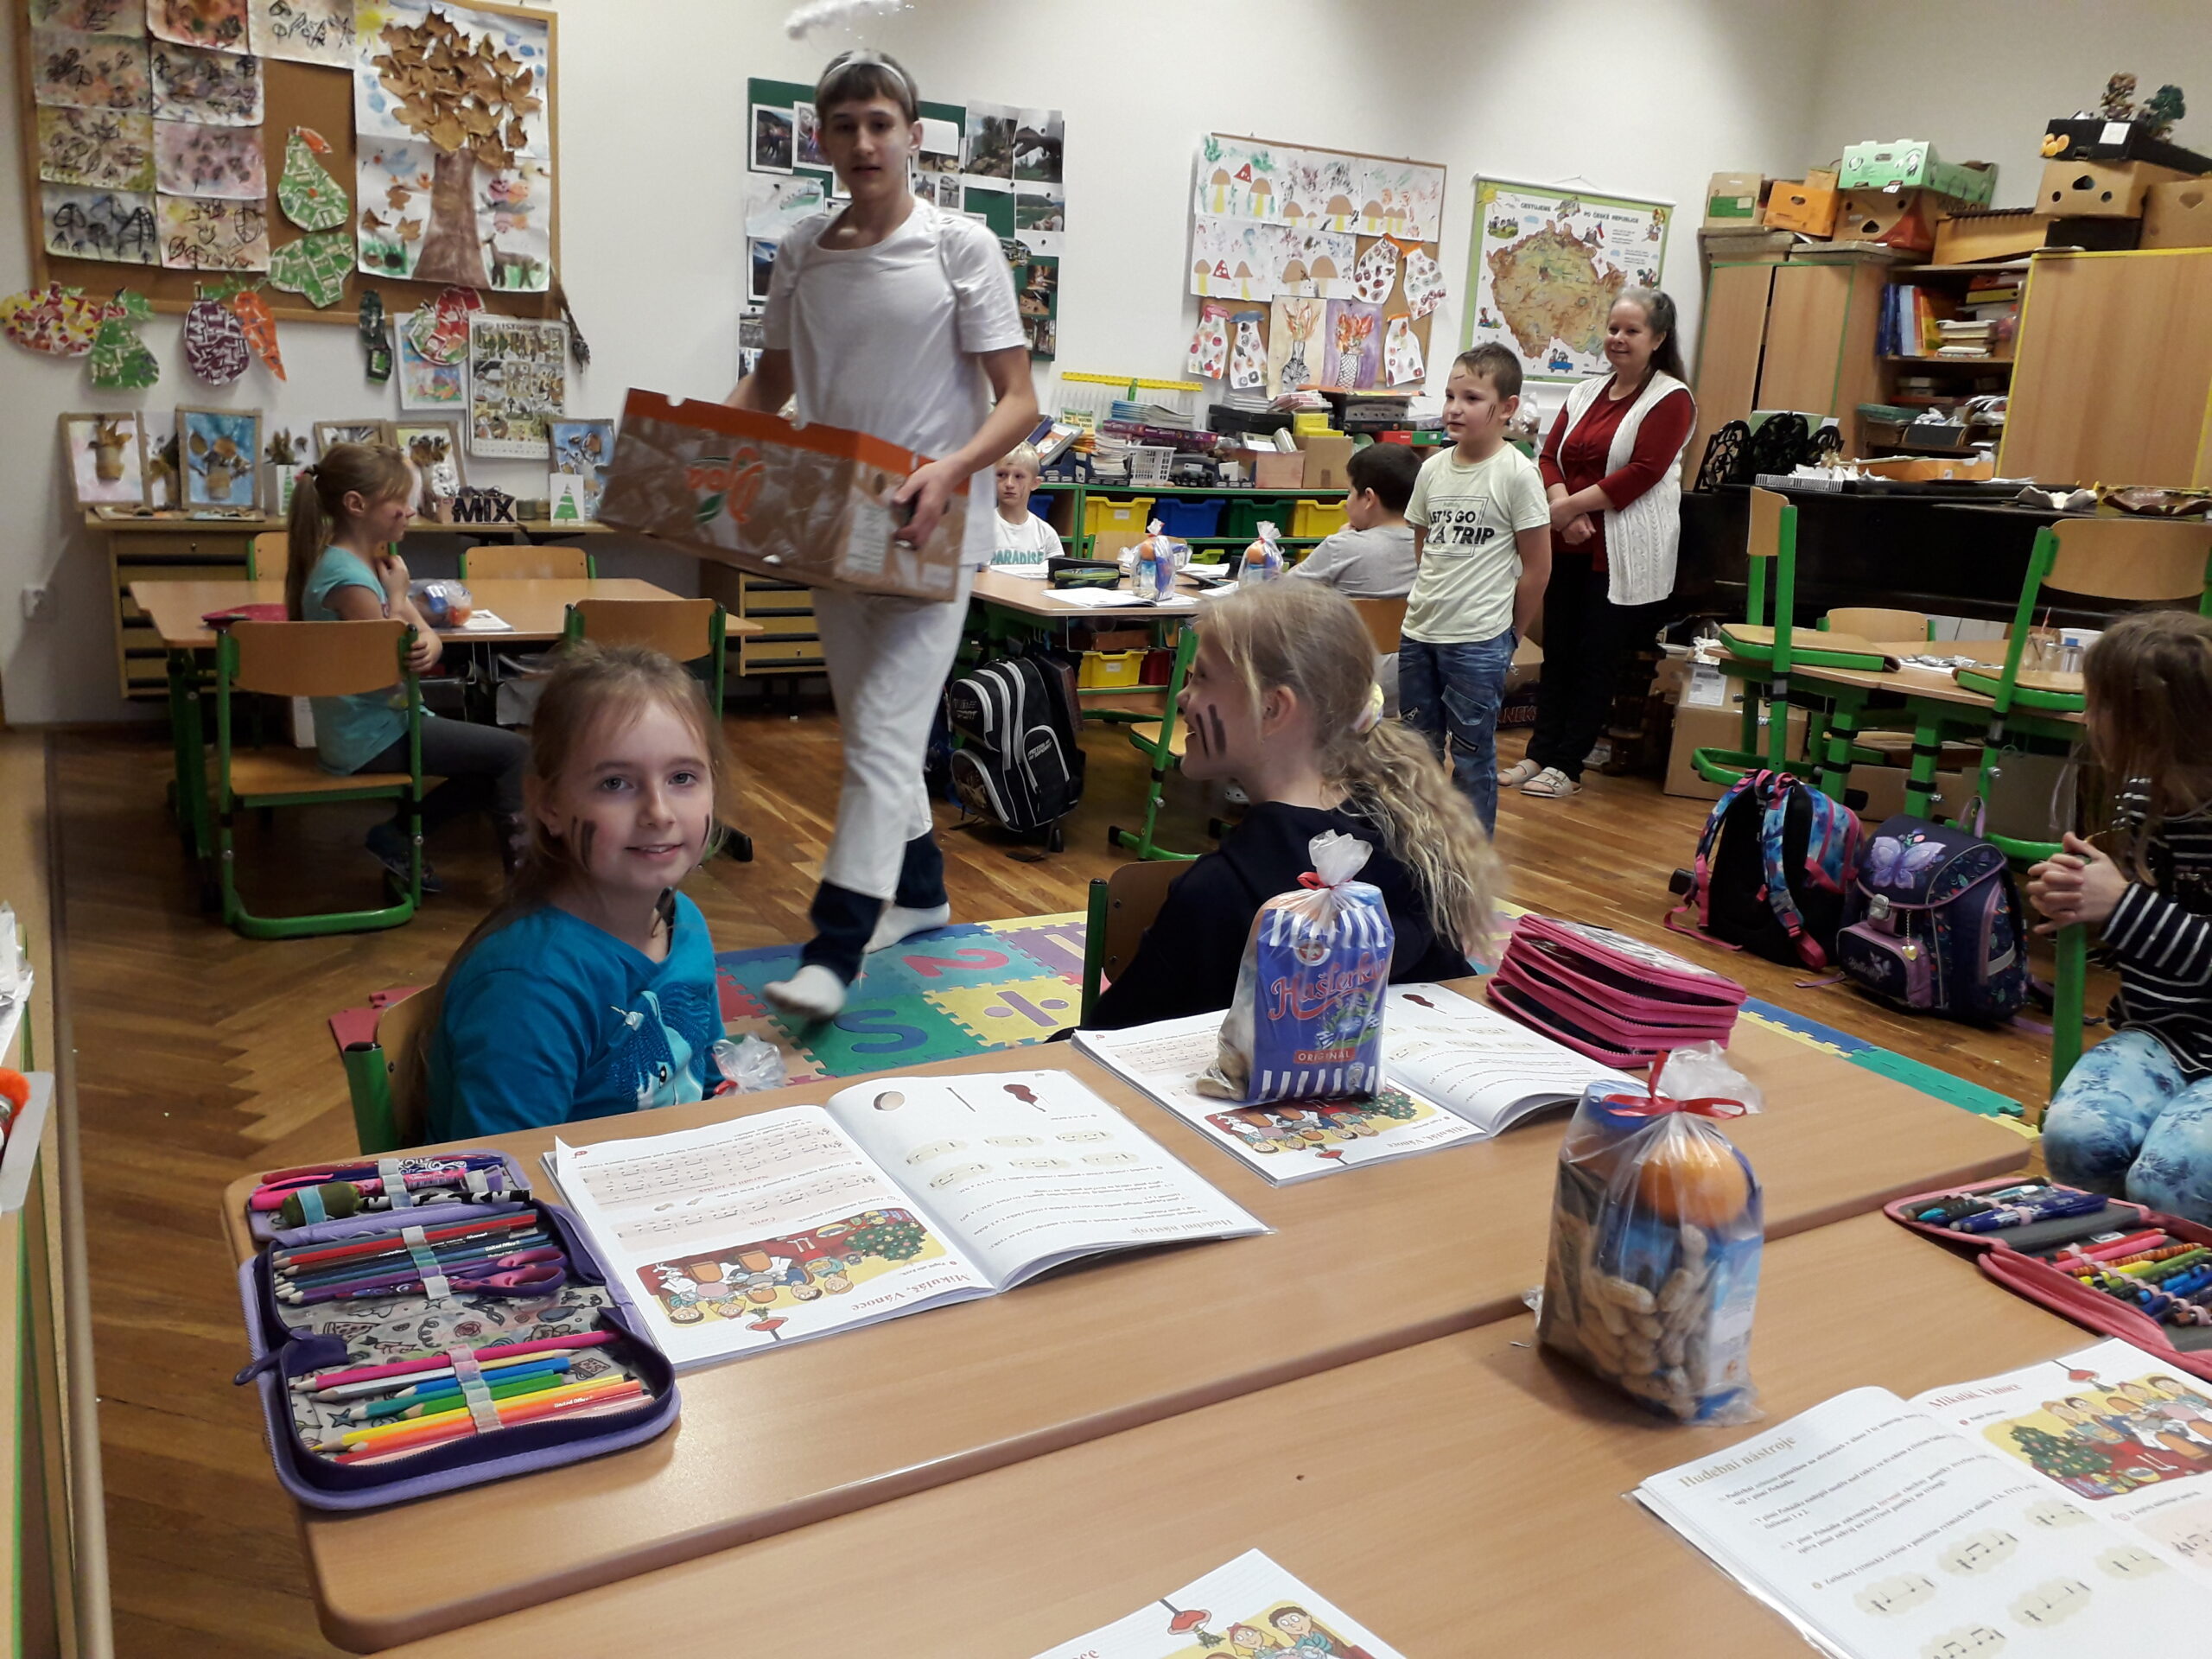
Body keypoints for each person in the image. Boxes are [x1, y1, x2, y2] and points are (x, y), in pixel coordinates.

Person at [727, 48, 1039, 1021]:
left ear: (912, 135)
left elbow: (1019, 400)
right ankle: (922, 892)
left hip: (932, 533)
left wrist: (951, 469)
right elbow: (771, 382)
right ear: (819, 139)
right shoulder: (802, 250)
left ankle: (834, 949)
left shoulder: (960, 247)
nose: (863, 141)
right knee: (875, 730)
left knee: (886, 734)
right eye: (844, 125)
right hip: (835, 525)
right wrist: (690, 456)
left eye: (880, 123)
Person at [1086, 580, 1499, 1031]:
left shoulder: (1217, 893)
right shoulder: (1406, 837)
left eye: (1201, 677)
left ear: (1272, 709)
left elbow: (1101, 1044)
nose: (1183, 697)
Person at [425, 643, 730, 1141]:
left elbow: (710, 1080)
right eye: (615, 783)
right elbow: (509, 1175)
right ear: (548, 804)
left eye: (682, 777)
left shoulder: (683, 919)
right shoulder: (529, 988)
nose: (658, 813)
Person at [285, 442, 530, 892]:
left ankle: (397, 836)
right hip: (369, 736)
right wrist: (399, 600)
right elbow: (394, 670)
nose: (410, 510)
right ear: (356, 505)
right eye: (399, 500)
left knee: (495, 761)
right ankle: (526, 883)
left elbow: (421, 638)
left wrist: (421, 628)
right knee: (513, 754)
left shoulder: (367, 565)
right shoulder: (350, 581)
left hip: (381, 723)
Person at [2033, 611, 2212, 1221]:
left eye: (2099, 705)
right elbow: (2149, 933)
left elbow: (2145, 916)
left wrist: (2124, 906)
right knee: (2075, 1137)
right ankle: (2110, 1251)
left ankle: (2179, 1271)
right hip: (2161, 1034)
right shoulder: (2143, 796)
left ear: (2155, 725)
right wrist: (2079, 906)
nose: (2088, 720)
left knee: (2170, 1179)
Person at [1505, 289, 1695, 800]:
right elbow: (1549, 457)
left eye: (1632, 331)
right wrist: (1562, 508)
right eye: (1613, 329)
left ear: (1657, 338)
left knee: (1595, 659)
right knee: (1559, 652)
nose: (1618, 339)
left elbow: (1644, 471)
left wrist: (1569, 508)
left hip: (1621, 551)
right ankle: (1539, 753)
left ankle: (1568, 765)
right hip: (1569, 541)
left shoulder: (1671, 398)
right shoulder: (1586, 391)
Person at [1399, 343, 1552, 834]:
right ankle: (1419, 853)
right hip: (1420, 633)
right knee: (1416, 755)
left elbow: (1537, 569)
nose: (1454, 408)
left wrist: (1511, 636)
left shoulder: (1518, 474)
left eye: (1471, 398)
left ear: (1507, 408)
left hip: (1478, 641)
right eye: (1450, 396)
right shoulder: (1431, 469)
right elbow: (1424, 546)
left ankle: (1469, 861)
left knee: (1470, 756)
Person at [1289, 443, 1420, 598]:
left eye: (1349, 492)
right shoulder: (1427, 548)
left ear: (1369, 498)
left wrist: (1341, 538)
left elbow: (1283, 589)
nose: (1346, 503)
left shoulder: (1342, 546)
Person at [989, 442, 1058, 566]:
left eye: (1018, 476)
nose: (1009, 484)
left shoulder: (1046, 534)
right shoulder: (982, 529)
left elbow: (1056, 573)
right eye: (1001, 475)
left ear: (1035, 483)